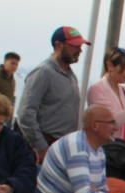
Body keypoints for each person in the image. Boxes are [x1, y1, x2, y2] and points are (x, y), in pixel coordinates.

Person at [16, 27, 90, 162]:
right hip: (46, 146)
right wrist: (41, 147)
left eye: (80, 46)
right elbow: (25, 114)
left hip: (62, 147)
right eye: (75, 46)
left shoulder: (70, 75)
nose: (80, 50)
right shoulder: (44, 72)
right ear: (58, 45)